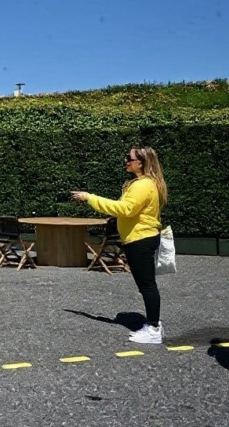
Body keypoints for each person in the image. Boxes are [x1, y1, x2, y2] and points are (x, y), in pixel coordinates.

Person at [72, 146, 167, 344]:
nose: (126, 161)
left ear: (140, 162)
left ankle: (154, 328)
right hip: (140, 238)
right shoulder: (142, 183)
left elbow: (125, 209)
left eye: (129, 158)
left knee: (147, 285)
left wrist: (90, 198)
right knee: (146, 284)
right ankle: (152, 324)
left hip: (140, 239)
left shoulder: (143, 185)